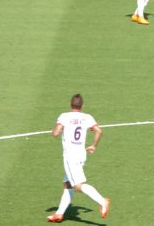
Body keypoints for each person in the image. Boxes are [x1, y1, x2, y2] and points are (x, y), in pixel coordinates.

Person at [46, 94, 111, 223]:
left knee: (77, 185)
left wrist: (56, 129)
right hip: (81, 154)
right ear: (82, 106)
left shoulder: (64, 116)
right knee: (68, 184)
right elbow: (99, 131)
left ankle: (102, 201)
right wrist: (93, 146)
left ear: (71, 105)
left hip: (70, 156)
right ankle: (59, 214)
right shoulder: (87, 118)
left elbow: (55, 133)